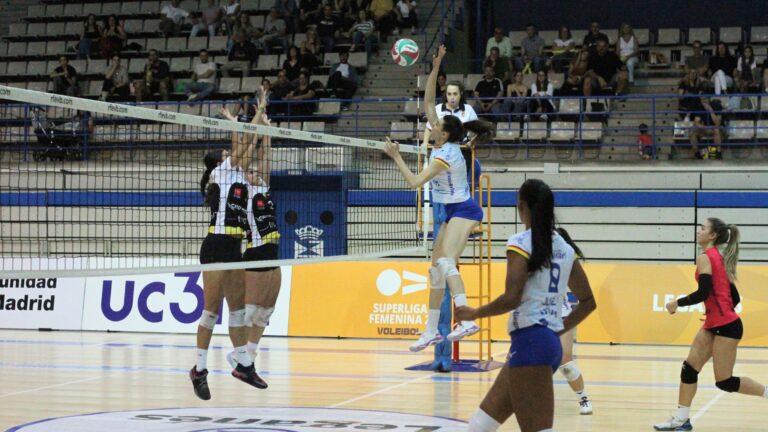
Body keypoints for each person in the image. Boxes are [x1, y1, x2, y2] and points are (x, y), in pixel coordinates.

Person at [456, 179, 597, 432]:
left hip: (531, 342)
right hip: (544, 344)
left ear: (521, 207)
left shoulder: (520, 242)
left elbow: (512, 298)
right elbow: (588, 303)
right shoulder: (565, 247)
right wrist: (554, 330)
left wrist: (474, 313)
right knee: (479, 425)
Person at [383, 45, 486, 352]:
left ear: (444, 134)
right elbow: (429, 102)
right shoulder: (444, 141)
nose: (434, 126)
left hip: (465, 211)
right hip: (453, 211)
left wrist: (396, 156)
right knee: (434, 268)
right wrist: (436, 65)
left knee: (445, 260)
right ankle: (431, 331)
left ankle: (466, 318)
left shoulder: (447, 155)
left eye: (438, 127)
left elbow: (415, 182)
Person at [654, 218, 768, 431]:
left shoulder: (705, 257)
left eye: (703, 229)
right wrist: (714, 313)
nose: (699, 232)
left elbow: (702, 293)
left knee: (724, 382)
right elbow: (733, 296)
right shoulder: (720, 258)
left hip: (727, 327)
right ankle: (681, 420)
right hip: (716, 323)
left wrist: (675, 304)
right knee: (689, 369)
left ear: (713, 236)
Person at [191, 100, 270, 400]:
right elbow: (243, 144)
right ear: (218, 163)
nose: (231, 152)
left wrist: (256, 120)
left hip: (233, 246)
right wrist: (245, 119)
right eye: (226, 153)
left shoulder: (236, 174)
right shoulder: (221, 173)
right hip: (215, 245)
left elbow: (248, 143)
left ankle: (244, 365)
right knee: (210, 312)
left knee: (237, 311)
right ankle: (198, 369)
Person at [225, 94, 283, 380]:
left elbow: (266, 159)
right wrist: (239, 127)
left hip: (273, 250)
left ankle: (250, 355)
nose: (254, 171)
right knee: (251, 311)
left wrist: (268, 132)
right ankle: (239, 356)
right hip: (255, 251)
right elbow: (243, 152)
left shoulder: (263, 186)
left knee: (266, 311)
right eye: (249, 170)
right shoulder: (240, 190)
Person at [554, 227, 594, 415]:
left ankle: (583, 397)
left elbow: (587, 300)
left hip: (561, 315)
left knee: (566, 361)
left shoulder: (565, 261)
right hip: (539, 316)